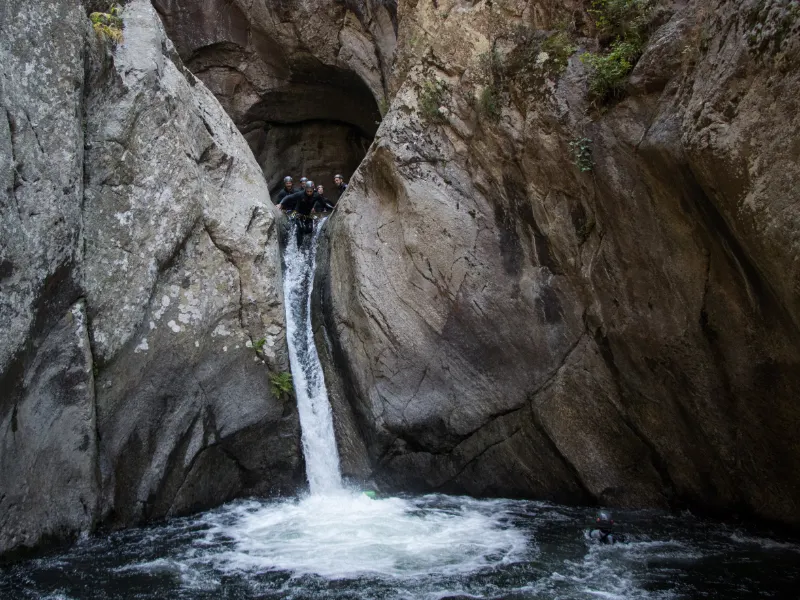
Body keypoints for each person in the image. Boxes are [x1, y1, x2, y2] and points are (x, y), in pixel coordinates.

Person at [278, 181, 319, 245]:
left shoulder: (316, 195)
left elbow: (323, 201)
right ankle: (296, 243)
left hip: (307, 214)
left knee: (309, 229)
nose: (309, 193)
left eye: (310, 191)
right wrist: (281, 204)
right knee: (297, 224)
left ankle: (304, 242)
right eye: (308, 191)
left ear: (313, 189)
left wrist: (333, 207)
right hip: (297, 212)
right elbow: (289, 197)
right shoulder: (300, 193)